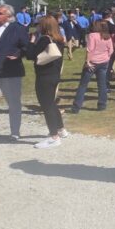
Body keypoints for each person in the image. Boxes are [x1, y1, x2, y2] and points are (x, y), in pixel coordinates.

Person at [0, 4, 30, 141]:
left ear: (9, 17)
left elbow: (26, 46)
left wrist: (18, 54)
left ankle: (14, 132)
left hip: (10, 70)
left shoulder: (18, 29)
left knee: (14, 103)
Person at [26, 16, 69, 149]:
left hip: (44, 76)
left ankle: (53, 136)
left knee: (46, 105)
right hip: (54, 75)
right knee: (51, 102)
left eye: (39, 24)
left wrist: (32, 41)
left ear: (43, 26)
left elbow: (30, 55)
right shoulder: (59, 39)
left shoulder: (44, 39)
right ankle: (61, 129)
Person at [72, 20, 114, 113]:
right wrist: (106, 58)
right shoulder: (108, 36)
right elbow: (111, 50)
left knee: (83, 85)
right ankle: (102, 105)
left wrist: (87, 61)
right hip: (103, 62)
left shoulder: (92, 35)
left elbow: (89, 50)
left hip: (92, 63)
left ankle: (76, 107)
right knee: (102, 84)